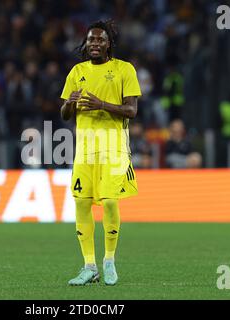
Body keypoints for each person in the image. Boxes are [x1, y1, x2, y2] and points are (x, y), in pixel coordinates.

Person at [60, 20, 141, 286]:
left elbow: (131, 111)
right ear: (86, 43)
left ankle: (109, 261)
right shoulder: (76, 71)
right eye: (91, 40)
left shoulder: (124, 70)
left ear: (109, 44)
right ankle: (89, 266)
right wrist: (70, 104)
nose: (95, 44)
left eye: (100, 40)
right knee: (81, 203)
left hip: (113, 147)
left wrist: (101, 104)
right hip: (84, 149)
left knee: (108, 202)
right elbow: (64, 115)